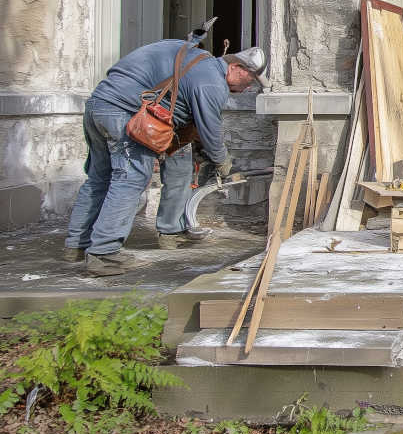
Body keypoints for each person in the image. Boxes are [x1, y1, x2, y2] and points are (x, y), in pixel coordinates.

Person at [63, 40, 268, 276]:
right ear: (237, 68)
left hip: (99, 105)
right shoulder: (213, 82)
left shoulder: (193, 56)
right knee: (130, 178)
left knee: (100, 178)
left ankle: (76, 246)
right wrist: (222, 162)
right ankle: (104, 254)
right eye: (250, 81)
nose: (249, 88)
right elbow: (210, 131)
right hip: (127, 115)